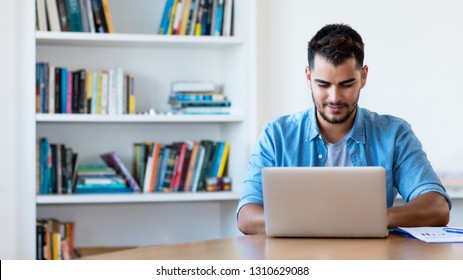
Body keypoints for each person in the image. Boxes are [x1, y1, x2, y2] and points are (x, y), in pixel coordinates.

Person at [237, 23, 451, 235]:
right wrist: (317, 222)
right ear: (308, 77)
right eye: (323, 84)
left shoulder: (395, 134)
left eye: (346, 84)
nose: (335, 97)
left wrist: (373, 218)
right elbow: (246, 216)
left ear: (363, 77)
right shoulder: (276, 136)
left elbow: (437, 207)